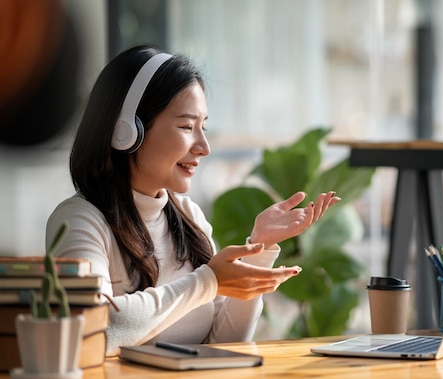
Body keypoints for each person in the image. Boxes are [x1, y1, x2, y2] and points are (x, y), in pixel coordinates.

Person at [45, 45, 340, 357]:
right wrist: (207, 281)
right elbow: (95, 327)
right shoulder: (79, 221)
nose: (204, 146)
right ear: (127, 131)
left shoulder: (189, 217)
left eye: (204, 127)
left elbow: (224, 341)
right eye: (187, 126)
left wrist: (259, 249)